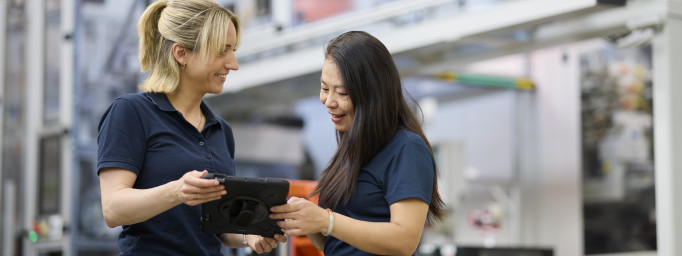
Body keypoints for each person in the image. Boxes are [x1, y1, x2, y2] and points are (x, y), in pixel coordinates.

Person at [96, 0, 285, 254]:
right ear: (181, 53)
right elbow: (112, 209)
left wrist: (247, 235)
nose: (233, 63)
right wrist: (176, 191)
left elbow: (217, 225)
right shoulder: (131, 112)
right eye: (222, 51)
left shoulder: (221, 130)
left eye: (233, 50)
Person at [269, 31, 445, 256]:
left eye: (341, 92)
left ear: (373, 94)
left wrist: (326, 221)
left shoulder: (407, 148)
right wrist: (306, 221)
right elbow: (340, 245)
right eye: (325, 89)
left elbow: (405, 241)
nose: (328, 101)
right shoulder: (353, 149)